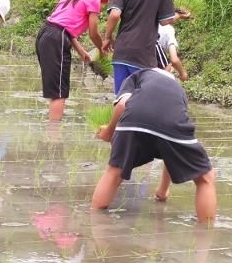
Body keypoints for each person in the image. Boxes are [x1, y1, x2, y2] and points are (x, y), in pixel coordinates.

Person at [91, 68, 216, 223]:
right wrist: (162, 191)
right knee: (205, 178)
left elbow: (123, 104)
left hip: (135, 118)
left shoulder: (138, 75)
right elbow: (170, 154)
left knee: (115, 171)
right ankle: (207, 236)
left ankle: (94, 220)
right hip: (172, 124)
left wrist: (109, 132)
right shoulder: (179, 90)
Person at [36, 0, 114, 122]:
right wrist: (102, 48)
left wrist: (81, 50)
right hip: (57, 39)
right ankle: (55, 137)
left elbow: (63, 25)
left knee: (55, 89)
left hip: (45, 34)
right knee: (59, 92)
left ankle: (52, 133)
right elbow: (93, 33)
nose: (102, 0)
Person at [102, 0, 180, 94]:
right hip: (143, 55)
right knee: (140, 99)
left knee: (121, 98)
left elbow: (115, 14)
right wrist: (177, 16)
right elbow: (164, 22)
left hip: (121, 53)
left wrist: (107, 37)